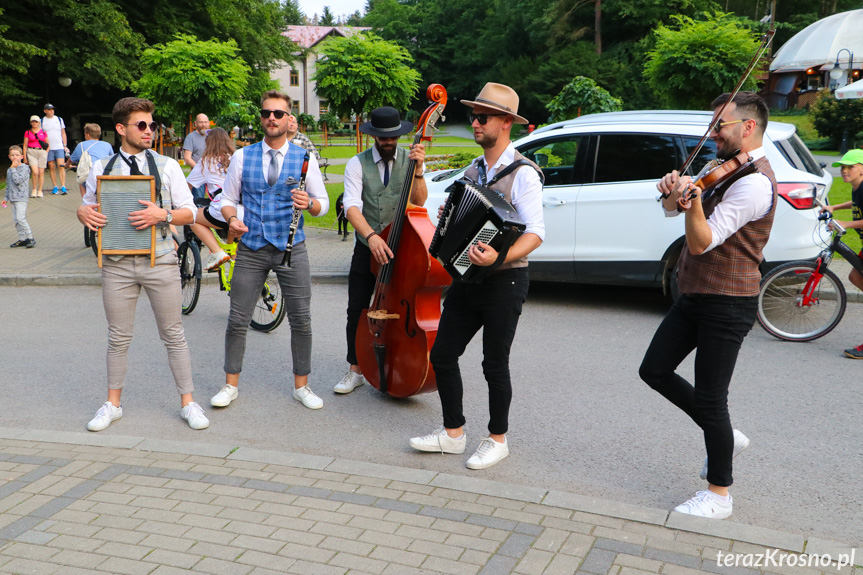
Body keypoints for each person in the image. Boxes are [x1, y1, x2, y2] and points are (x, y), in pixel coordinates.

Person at [638, 92, 777, 519]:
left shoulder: (754, 183)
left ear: (747, 128)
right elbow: (669, 211)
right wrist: (672, 192)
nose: (712, 133)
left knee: (713, 400)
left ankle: (719, 495)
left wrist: (692, 199)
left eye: (720, 125)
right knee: (654, 370)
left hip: (728, 303)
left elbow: (701, 241)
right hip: (695, 294)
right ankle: (726, 437)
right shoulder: (718, 168)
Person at [408, 83, 544, 470]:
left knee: (493, 362)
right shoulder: (473, 171)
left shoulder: (523, 174)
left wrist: (498, 257)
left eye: (482, 117)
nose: (475, 122)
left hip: (507, 280)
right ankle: (453, 433)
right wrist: (422, 176)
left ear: (505, 124)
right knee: (444, 352)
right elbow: (423, 202)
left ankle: (497, 438)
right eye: (474, 116)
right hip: (468, 279)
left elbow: (536, 233)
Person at [77, 97, 209, 432]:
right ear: (121, 129)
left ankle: (188, 402)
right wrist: (82, 211)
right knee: (118, 337)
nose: (150, 131)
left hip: (161, 260)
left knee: (173, 334)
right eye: (142, 125)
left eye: (152, 125)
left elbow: (191, 213)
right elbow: (87, 204)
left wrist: (161, 214)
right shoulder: (101, 168)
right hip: (117, 263)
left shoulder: (168, 166)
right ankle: (113, 404)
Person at [210, 90, 329, 411]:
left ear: (290, 119)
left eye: (278, 113)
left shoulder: (304, 158)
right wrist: (232, 219)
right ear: (260, 118)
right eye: (266, 113)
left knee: (301, 320)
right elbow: (226, 200)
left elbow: (323, 203)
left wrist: (312, 204)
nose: (272, 118)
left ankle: (301, 386)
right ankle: (230, 385)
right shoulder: (242, 156)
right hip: (251, 246)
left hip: (292, 248)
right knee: (238, 318)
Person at [333, 106, 427, 395]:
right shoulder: (357, 164)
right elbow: (351, 206)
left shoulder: (410, 160)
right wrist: (371, 237)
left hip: (403, 248)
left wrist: (420, 172)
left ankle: (400, 361)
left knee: (403, 310)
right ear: (374, 136)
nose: (388, 142)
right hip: (368, 246)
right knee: (358, 309)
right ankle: (355, 369)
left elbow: (420, 201)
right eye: (383, 138)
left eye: (393, 137)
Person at [818, 148, 863, 358]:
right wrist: (835, 207)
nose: (844, 171)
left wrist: (846, 223)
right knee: (855, 276)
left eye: (850, 167)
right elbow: (856, 204)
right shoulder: (858, 188)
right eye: (843, 167)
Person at [184, 127, 241, 270]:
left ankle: (216, 252)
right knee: (235, 250)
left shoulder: (206, 162)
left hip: (223, 207)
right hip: (243, 208)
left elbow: (187, 187)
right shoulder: (237, 158)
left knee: (191, 217)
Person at [69, 123, 114, 196]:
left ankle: (85, 202)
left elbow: (71, 160)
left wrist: (66, 165)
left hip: (90, 175)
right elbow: (112, 159)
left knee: (81, 179)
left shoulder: (81, 145)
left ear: (87, 135)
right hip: (104, 174)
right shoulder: (107, 145)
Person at [5, 146, 35, 248]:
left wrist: (13, 169)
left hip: (21, 198)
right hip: (12, 198)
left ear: (22, 156)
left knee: (20, 218)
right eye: (12, 155)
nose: (15, 157)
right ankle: (22, 238)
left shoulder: (25, 168)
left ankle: (30, 237)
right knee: (16, 220)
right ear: (9, 157)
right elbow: (8, 184)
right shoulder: (10, 169)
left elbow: (18, 181)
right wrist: (6, 198)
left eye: (17, 155)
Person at [42, 104, 69, 195]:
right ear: (45, 111)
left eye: (52, 109)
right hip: (49, 148)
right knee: (51, 167)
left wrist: (65, 145)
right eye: (49, 110)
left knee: (61, 166)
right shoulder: (42, 121)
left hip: (59, 147)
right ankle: (55, 186)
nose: (51, 111)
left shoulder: (59, 119)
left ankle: (63, 186)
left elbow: (63, 133)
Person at [22, 116, 48, 198]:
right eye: (33, 122)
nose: (34, 123)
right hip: (31, 151)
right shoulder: (28, 132)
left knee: (41, 172)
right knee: (35, 172)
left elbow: (48, 144)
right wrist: (25, 156)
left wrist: (46, 152)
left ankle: (40, 190)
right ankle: (34, 189)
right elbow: (25, 145)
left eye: (36, 122)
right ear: (30, 123)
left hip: (41, 152)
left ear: (39, 123)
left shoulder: (43, 132)